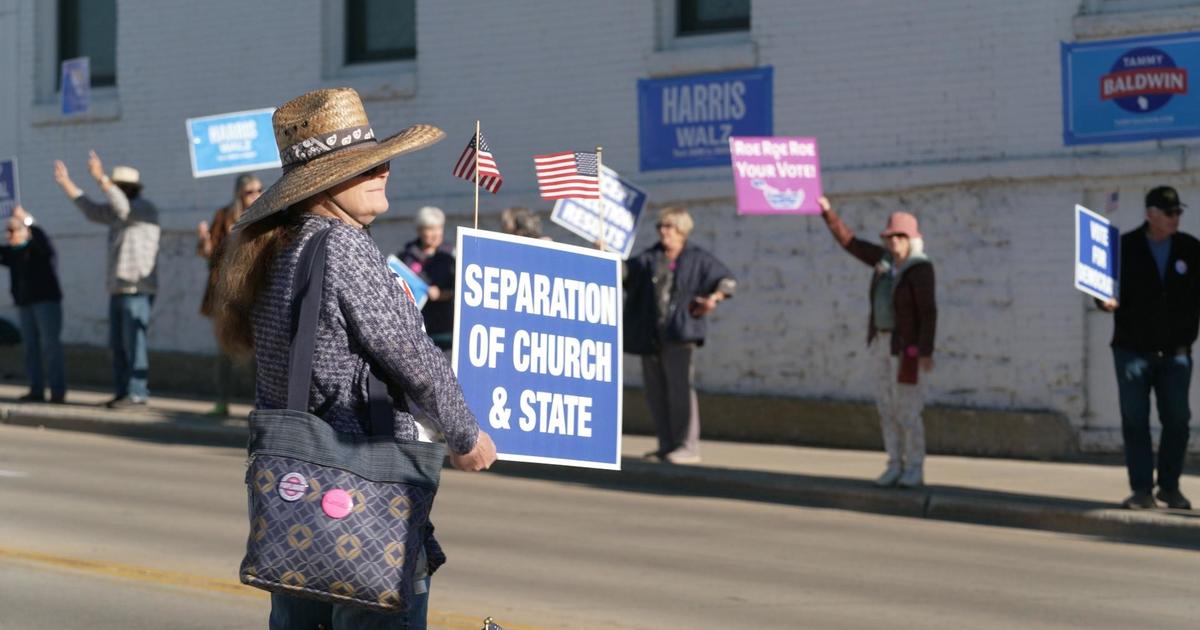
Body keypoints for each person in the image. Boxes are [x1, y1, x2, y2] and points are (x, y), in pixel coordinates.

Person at [214, 88, 496, 629]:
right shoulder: (342, 246)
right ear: (321, 184)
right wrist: (465, 435)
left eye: (381, 160)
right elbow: (412, 356)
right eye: (363, 166)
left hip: (295, 490)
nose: (384, 170)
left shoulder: (279, 246)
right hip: (362, 489)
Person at [819, 196, 937, 488]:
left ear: (912, 240)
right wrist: (827, 213)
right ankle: (894, 463)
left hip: (906, 349)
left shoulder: (920, 269)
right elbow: (850, 243)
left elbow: (929, 312)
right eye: (890, 236)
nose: (894, 241)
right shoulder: (883, 262)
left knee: (908, 408)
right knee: (886, 405)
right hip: (881, 342)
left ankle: (915, 467)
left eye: (901, 236)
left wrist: (924, 350)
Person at [1098, 186, 1197, 510]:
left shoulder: (1190, 249)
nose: (1175, 218)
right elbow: (1101, 290)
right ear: (1150, 214)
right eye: (1169, 213)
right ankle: (1141, 490)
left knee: (1178, 420)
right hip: (1132, 350)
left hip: (1176, 352)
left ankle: (1169, 487)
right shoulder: (1124, 247)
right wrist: (1104, 301)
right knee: (1135, 421)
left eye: (1178, 212)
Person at [624, 207, 736, 464]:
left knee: (680, 391)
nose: (664, 232)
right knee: (656, 393)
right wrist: (604, 254)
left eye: (669, 227)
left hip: (680, 333)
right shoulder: (650, 258)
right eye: (661, 227)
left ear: (682, 231)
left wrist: (713, 299)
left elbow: (727, 281)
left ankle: (687, 445)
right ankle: (666, 443)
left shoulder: (697, 258)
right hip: (650, 334)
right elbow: (624, 275)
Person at [53, 151, 160, 409]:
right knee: (118, 344)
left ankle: (137, 393)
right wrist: (67, 184)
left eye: (117, 188)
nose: (111, 192)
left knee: (134, 343)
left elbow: (122, 207)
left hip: (137, 288)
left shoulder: (143, 209)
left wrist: (101, 177)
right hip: (118, 288)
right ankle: (123, 391)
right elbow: (91, 210)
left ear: (128, 189)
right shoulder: (117, 212)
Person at [196, 173, 262, 416]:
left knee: (260, 354)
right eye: (249, 192)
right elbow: (209, 253)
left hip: (256, 292)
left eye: (259, 190)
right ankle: (222, 402)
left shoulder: (267, 216)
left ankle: (262, 404)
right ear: (239, 194)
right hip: (227, 295)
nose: (255, 195)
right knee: (225, 350)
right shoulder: (225, 217)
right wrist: (205, 243)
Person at [0, 205, 66, 403]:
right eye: (7, 231)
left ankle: (57, 391)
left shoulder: (38, 248)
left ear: (25, 231)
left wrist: (27, 219)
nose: (9, 235)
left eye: (13, 230)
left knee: (50, 346)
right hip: (25, 303)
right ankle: (36, 389)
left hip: (46, 302)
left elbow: (42, 240)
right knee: (30, 347)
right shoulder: (13, 253)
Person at [397, 206, 456, 350]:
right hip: (416, 327)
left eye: (439, 228)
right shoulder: (406, 257)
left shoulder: (451, 256)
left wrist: (441, 294)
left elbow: (460, 290)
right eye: (430, 229)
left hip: (445, 326)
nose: (436, 234)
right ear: (419, 230)